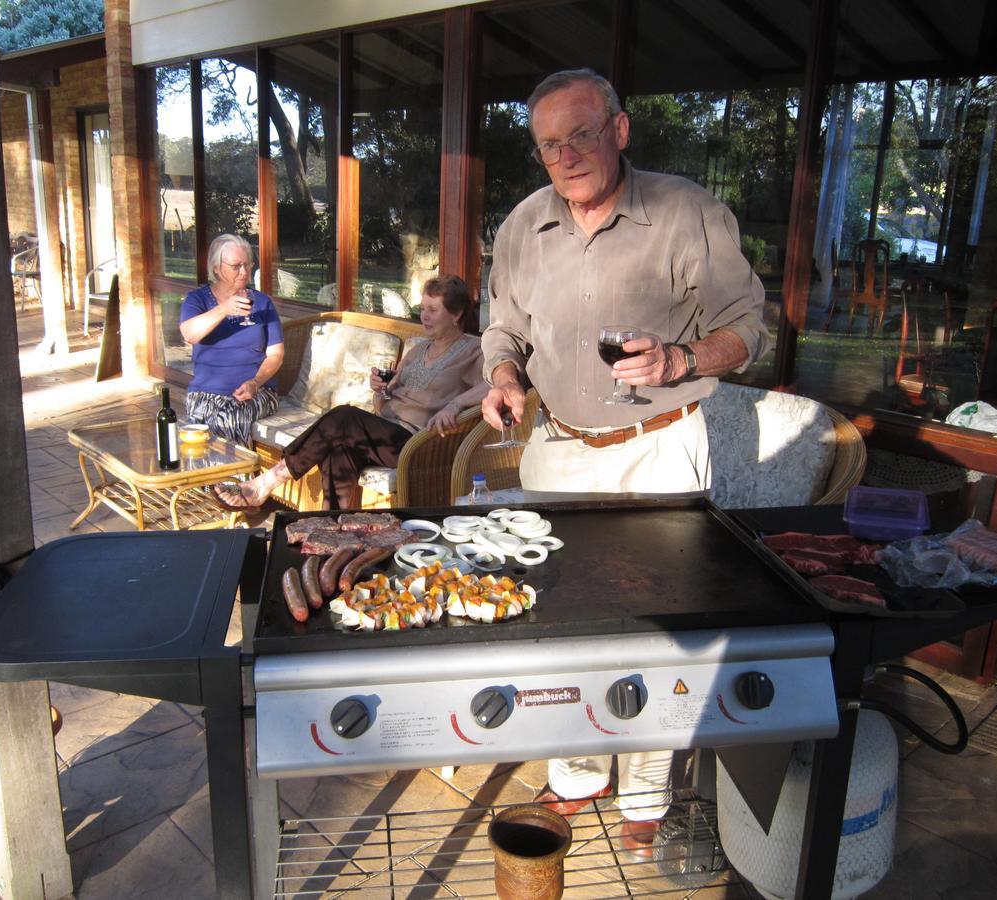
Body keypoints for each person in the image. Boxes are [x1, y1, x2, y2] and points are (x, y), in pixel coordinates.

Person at [480, 68, 771, 858]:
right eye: (549, 144)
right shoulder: (522, 225)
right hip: (559, 449)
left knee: (658, 625)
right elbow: (501, 324)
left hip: (659, 447)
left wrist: (682, 358)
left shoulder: (685, 212)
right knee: (560, 623)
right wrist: (503, 376)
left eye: (580, 134)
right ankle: (578, 772)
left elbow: (752, 326)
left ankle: (646, 786)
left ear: (620, 130)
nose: (566, 155)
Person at [215, 275, 488, 511]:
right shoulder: (419, 350)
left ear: (456, 314)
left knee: (344, 417)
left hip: (418, 442)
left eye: (433, 310)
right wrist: (378, 391)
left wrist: (455, 404)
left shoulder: (473, 350)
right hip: (386, 431)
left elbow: (494, 385)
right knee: (339, 452)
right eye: (423, 307)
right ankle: (331, 534)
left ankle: (267, 482)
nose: (424, 316)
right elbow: (383, 405)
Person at [179, 234, 284, 447]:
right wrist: (224, 309)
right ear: (216, 268)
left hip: (257, 392)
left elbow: (276, 354)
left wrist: (255, 383)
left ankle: (229, 478)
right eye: (236, 266)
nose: (244, 272)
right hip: (205, 392)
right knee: (201, 423)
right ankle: (215, 477)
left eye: (248, 264)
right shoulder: (197, 300)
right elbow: (190, 334)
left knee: (228, 419)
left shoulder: (262, 302)